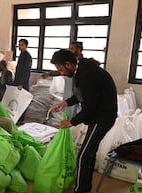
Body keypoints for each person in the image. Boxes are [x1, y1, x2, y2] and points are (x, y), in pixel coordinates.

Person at [49, 49, 117, 193]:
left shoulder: (87, 75)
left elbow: (90, 106)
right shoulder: (82, 71)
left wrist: (72, 122)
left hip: (102, 117)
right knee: (89, 154)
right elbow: (82, 95)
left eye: (61, 69)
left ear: (68, 64)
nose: (61, 73)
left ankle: (80, 190)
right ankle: (85, 187)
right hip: (98, 115)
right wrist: (65, 103)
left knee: (84, 156)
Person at [42, 41, 84, 118]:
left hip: (76, 91)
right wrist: (49, 74)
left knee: (75, 108)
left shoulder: (82, 66)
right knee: (67, 107)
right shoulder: (67, 63)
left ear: (79, 49)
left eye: (72, 48)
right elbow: (61, 71)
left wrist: (74, 122)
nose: (71, 51)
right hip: (70, 90)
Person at [13, 39, 32, 125]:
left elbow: (26, 71)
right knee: (17, 101)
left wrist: (21, 83)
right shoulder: (21, 55)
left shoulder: (27, 56)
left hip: (23, 83)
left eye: (22, 45)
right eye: (19, 45)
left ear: (26, 46)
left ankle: (21, 120)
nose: (20, 47)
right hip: (18, 81)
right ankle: (17, 118)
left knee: (22, 101)